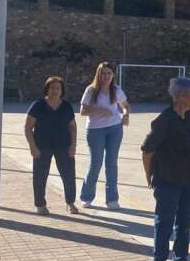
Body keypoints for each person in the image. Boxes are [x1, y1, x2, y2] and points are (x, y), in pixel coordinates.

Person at [142, 76, 190, 261]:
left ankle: (180, 259)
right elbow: (147, 150)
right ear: (181, 96)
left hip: (188, 177)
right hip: (167, 178)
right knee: (164, 222)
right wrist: (149, 176)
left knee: (185, 222)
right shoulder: (164, 120)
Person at [78, 62, 129, 209]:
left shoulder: (117, 90)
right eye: (103, 73)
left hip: (115, 129)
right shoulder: (91, 90)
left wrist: (126, 115)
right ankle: (87, 197)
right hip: (95, 130)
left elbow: (126, 106)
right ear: (99, 74)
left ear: (113, 75)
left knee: (111, 164)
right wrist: (99, 110)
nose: (106, 76)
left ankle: (112, 199)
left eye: (109, 73)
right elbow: (82, 111)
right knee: (96, 163)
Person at [24, 76, 78, 215]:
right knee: (40, 175)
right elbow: (28, 128)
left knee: (68, 175)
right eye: (52, 87)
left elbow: (73, 127)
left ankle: (70, 202)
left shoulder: (66, 106)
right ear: (47, 89)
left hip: (64, 145)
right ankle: (40, 205)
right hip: (42, 146)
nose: (55, 90)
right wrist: (32, 147)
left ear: (62, 90)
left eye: (58, 88)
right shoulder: (38, 105)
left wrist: (73, 146)